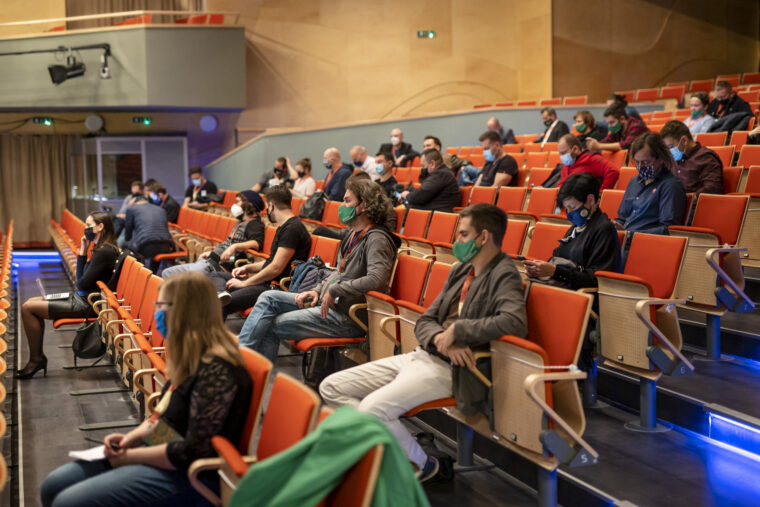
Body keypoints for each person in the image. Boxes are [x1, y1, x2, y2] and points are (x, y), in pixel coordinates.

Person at [320, 203, 527, 481]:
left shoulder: (504, 273)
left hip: (454, 369)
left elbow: (514, 322)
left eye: (464, 234)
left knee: (373, 409)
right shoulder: (460, 270)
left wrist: (459, 331)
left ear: (484, 237)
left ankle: (422, 465)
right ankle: (388, 452)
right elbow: (425, 321)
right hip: (422, 354)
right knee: (332, 387)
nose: (457, 241)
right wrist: (441, 337)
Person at [40, 272, 253, 507]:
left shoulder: (219, 370)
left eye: (160, 306)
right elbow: (162, 417)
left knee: (67, 502)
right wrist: (129, 439)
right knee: (53, 485)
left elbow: (191, 451)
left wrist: (128, 457)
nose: (156, 313)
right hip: (161, 451)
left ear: (183, 313)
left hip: (192, 475)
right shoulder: (190, 357)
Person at [237, 178, 400, 362]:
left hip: (349, 316)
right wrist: (316, 290)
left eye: (347, 201)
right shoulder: (353, 235)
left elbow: (377, 279)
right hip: (330, 304)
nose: (342, 205)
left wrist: (335, 289)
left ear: (364, 205)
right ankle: (242, 356)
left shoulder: (377, 239)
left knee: (270, 324)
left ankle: (244, 364)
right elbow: (339, 272)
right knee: (268, 297)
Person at [18, 212, 119, 379]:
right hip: (82, 298)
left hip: (87, 305)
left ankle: (36, 360)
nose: (86, 229)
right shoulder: (100, 249)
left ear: (100, 227)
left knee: (28, 308)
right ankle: (37, 358)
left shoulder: (104, 252)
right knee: (31, 302)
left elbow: (81, 283)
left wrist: (83, 258)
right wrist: (83, 251)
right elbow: (81, 281)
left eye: (89, 225)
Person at [215, 185, 311, 317]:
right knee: (216, 275)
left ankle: (219, 309)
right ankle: (221, 294)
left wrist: (244, 283)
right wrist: (247, 268)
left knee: (220, 305)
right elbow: (271, 261)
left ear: (271, 206)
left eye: (267, 207)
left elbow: (275, 268)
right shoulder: (284, 227)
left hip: (273, 287)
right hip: (265, 281)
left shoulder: (292, 229)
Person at [525, 173, 622, 289]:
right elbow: (559, 258)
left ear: (590, 200)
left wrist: (555, 272)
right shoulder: (578, 226)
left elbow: (599, 280)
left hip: (583, 294)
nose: (569, 214)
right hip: (564, 287)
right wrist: (540, 270)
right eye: (567, 208)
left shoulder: (604, 229)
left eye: (572, 207)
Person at [162, 191, 266, 279]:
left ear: (248, 204)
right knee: (167, 273)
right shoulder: (241, 221)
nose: (234, 205)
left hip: (215, 267)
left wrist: (234, 247)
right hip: (210, 261)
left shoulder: (254, 224)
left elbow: (256, 243)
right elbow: (227, 246)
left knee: (171, 276)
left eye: (237, 202)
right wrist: (213, 253)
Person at [615, 132, 686, 242]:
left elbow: (667, 229)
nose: (640, 167)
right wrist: (615, 227)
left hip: (646, 243)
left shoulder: (671, 186)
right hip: (624, 240)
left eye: (645, 162)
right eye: (637, 162)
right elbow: (621, 218)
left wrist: (629, 235)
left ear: (661, 159)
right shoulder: (633, 182)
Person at [660, 120, 723, 195]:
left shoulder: (706, 157)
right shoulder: (673, 159)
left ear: (684, 140)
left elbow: (713, 188)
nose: (670, 151)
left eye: (671, 146)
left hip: (696, 201)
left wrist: (689, 198)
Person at [124, 196, 175, 272]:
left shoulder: (132, 209)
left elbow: (128, 233)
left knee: (129, 247)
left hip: (146, 247)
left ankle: (139, 274)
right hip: (167, 246)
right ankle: (153, 273)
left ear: (134, 202)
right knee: (154, 250)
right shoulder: (161, 209)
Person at [552, 134, 619, 190]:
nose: (562, 156)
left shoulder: (592, 159)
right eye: (560, 154)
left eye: (564, 153)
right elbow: (561, 186)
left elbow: (613, 171)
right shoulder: (566, 167)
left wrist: (601, 193)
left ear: (575, 149)